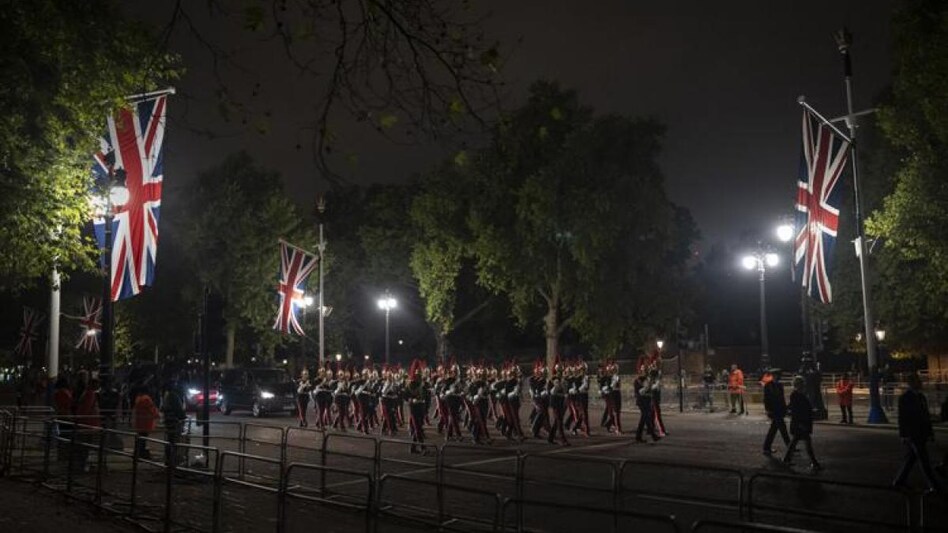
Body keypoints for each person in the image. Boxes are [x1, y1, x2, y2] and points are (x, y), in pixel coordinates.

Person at [892, 373, 941, 493]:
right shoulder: (905, 398)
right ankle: (933, 485)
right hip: (913, 433)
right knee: (924, 460)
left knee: (911, 459)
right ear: (912, 383)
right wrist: (904, 435)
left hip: (920, 432)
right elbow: (902, 418)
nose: (920, 383)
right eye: (918, 381)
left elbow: (925, 416)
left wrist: (930, 433)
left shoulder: (921, 397)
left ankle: (899, 481)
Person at [782, 376, 821, 471]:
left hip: (800, 423)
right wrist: (801, 423)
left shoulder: (797, 395)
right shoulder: (797, 395)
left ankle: (786, 459)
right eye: (802, 384)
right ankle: (814, 462)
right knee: (806, 443)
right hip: (801, 423)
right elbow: (797, 411)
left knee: (795, 442)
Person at [762, 369, 790, 457]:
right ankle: (790, 446)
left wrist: (784, 409)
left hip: (779, 410)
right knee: (782, 428)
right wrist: (768, 409)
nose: (777, 377)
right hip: (774, 410)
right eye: (776, 375)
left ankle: (766, 447)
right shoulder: (768, 385)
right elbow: (766, 398)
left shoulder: (779, 385)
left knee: (774, 430)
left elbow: (782, 398)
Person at [161, 379, 187, 467]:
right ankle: (172, 461)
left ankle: (169, 460)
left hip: (168, 421)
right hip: (173, 422)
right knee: (173, 442)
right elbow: (179, 411)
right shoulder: (173, 396)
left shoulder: (166, 395)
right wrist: (183, 416)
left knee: (170, 441)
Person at [131, 388, 160, 459]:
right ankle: (140, 454)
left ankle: (137, 453)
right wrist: (157, 415)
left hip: (139, 422)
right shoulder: (147, 399)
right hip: (146, 422)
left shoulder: (138, 398)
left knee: (139, 439)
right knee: (143, 439)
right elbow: (151, 409)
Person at [633, 369, 660, 443]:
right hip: (642, 401)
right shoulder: (639, 380)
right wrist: (649, 386)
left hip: (646, 400)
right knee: (646, 417)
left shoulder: (647, 380)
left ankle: (639, 436)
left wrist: (654, 385)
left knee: (644, 419)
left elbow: (651, 389)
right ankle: (652, 435)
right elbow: (641, 392)